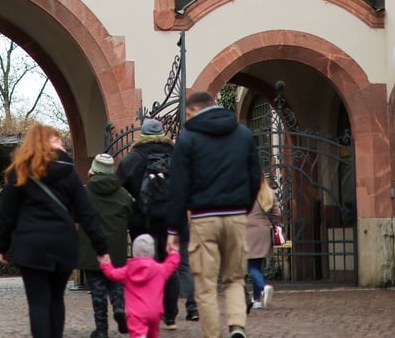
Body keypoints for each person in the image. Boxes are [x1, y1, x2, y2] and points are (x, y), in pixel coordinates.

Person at [0, 123, 110, 338]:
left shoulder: (18, 172)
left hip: (31, 245)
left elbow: (6, 214)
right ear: (49, 143)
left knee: (38, 302)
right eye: (58, 140)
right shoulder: (69, 172)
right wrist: (101, 247)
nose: (63, 144)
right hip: (63, 243)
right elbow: (86, 212)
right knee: (57, 299)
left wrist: (2, 246)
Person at [166, 91, 262, 338]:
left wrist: (173, 229)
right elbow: (255, 177)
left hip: (203, 218)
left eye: (188, 114)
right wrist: (244, 207)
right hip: (236, 215)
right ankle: (237, 326)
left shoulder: (187, 139)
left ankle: (212, 335)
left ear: (196, 110)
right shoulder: (243, 135)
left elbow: (178, 187)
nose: (187, 118)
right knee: (234, 278)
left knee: (205, 285)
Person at [116, 118, 180, 329]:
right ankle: (170, 316)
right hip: (169, 219)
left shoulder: (133, 158)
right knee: (168, 265)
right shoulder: (175, 156)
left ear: (142, 135)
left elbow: (118, 187)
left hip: (142, 220)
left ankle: (145, 310)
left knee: (143, 267)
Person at [78, 153, 133, 338]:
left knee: (97, 290)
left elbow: (75, 215)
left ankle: (101, 329)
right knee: (116, 283)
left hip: (91, 249)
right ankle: (119, 306)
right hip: (116, 250)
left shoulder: (84, 192)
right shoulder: (123, 193)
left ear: (94, 169)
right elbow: (132, 216)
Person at [99, 234, 180, 338]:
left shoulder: (128, 270)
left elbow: (112, 274)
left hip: (136, 313)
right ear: (153, 252)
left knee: (138, 334)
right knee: (153, 334)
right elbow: (171, 264)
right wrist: (174, 252)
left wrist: (105, 264)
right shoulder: (159, 269)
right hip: (155, 311)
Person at [246, 179, 280, 309]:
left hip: (248, 230)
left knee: (251, 266)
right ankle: (257, 299)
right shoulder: (269, 193)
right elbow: (277, 213)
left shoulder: (246, 192)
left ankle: (262, 287)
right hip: (264, 230)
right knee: (257, 264)